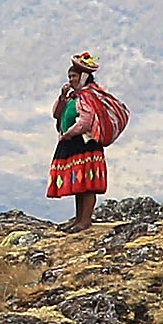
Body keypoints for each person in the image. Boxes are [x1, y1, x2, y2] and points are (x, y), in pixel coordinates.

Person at [47, 52, 125, 229]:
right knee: (78, 183)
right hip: (72, 144)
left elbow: (86, 121)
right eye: (69, 76)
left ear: (84, 76)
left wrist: (69, 133)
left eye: (74, 76)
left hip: (85, 144)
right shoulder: (74, 96)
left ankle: (85, 221)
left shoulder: (88, 96)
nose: (71, 79)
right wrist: (62, 97)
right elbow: (56, 114)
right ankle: (78, 219)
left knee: (88, 184)